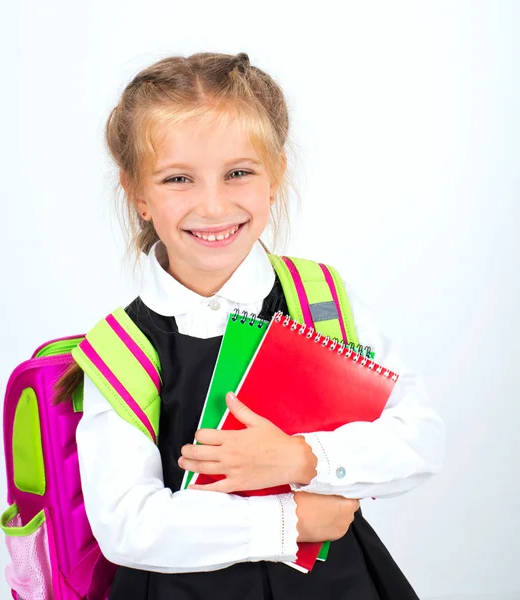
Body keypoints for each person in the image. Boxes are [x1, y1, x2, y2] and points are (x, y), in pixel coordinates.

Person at [56, 51, 445, 600]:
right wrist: (290, 523)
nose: (212, 205)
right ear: (138, 194)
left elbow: (420, 438)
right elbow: (127, 527)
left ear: (276, 174)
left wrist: (304, 459)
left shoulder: (320, 300)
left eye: (238, 173)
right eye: (177, 179)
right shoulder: (121, 351)